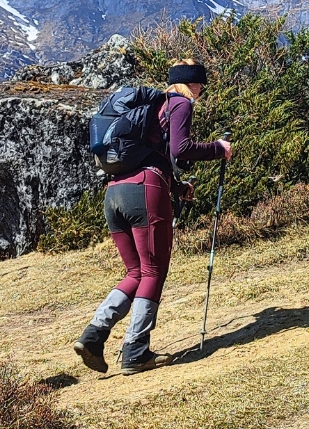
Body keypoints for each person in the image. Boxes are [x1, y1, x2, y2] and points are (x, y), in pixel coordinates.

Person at [73, 59, 232, 375]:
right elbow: (181, 148)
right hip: (145, 192)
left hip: (115, 193)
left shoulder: (149, 109)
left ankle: (94, 334)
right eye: (200, 84)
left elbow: (155, 155)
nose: (201, 91)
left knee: (136, 271)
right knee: (154, 271)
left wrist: (177, 187)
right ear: (192, 84)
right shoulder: (180, 103)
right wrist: (219, 148)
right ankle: (135, 350)